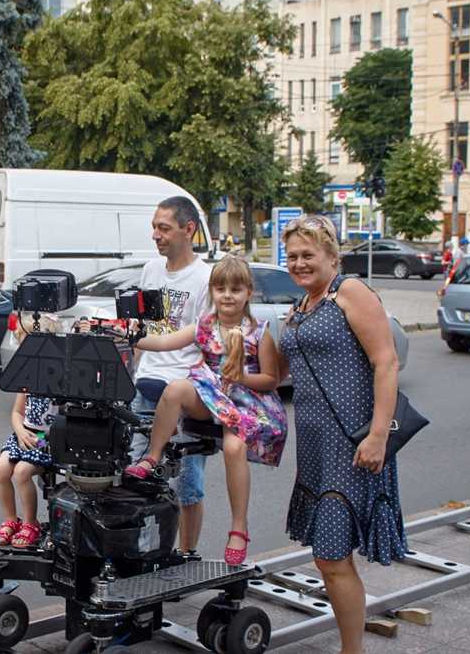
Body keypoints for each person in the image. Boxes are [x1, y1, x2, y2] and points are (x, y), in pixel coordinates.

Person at [277, 214, 406, 654]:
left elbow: (386, 362)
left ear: (332, 256)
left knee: (332, 557)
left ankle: (353, 650)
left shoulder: (349, 292)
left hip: (350, 444)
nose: (298, 263)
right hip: (314, 447)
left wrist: (378, 436)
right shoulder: (299, 307)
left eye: (308, 254)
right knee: (326, 557)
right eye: (292, 256)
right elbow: (278, 376)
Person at [125, 257, 287, 564]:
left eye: (235, 289)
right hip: (212, 394)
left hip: (246, 401)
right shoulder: (205, 326)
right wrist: (125, 335)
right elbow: (163, 342)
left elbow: (271, 379)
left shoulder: (258, 331)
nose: (227, 295)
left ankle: (239, 527)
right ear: (211, 292)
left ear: (249, 293)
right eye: (220, 288)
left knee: (234, 446)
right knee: (175, 389)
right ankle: (152, 456)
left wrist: (241, 377)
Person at [128, 196, 212, 558]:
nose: (155, 235)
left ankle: (186, 555)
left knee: (186, 485)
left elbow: (209, 343)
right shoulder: (150, 271)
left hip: (184, 394)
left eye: (163, 227)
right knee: (134, 480)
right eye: (154, 227)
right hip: (144, 390)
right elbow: (145, 329)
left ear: (188, 229)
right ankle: (144, 555)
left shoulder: (207, 278)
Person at [0, 315, 59, 549]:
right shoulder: (26, 376)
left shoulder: (61, 377)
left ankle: (31, 523)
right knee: (1, 469)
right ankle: (11, 519)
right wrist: (20, 431)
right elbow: (17, 413)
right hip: (25, 434)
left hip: (47, 440)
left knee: (21, 472)